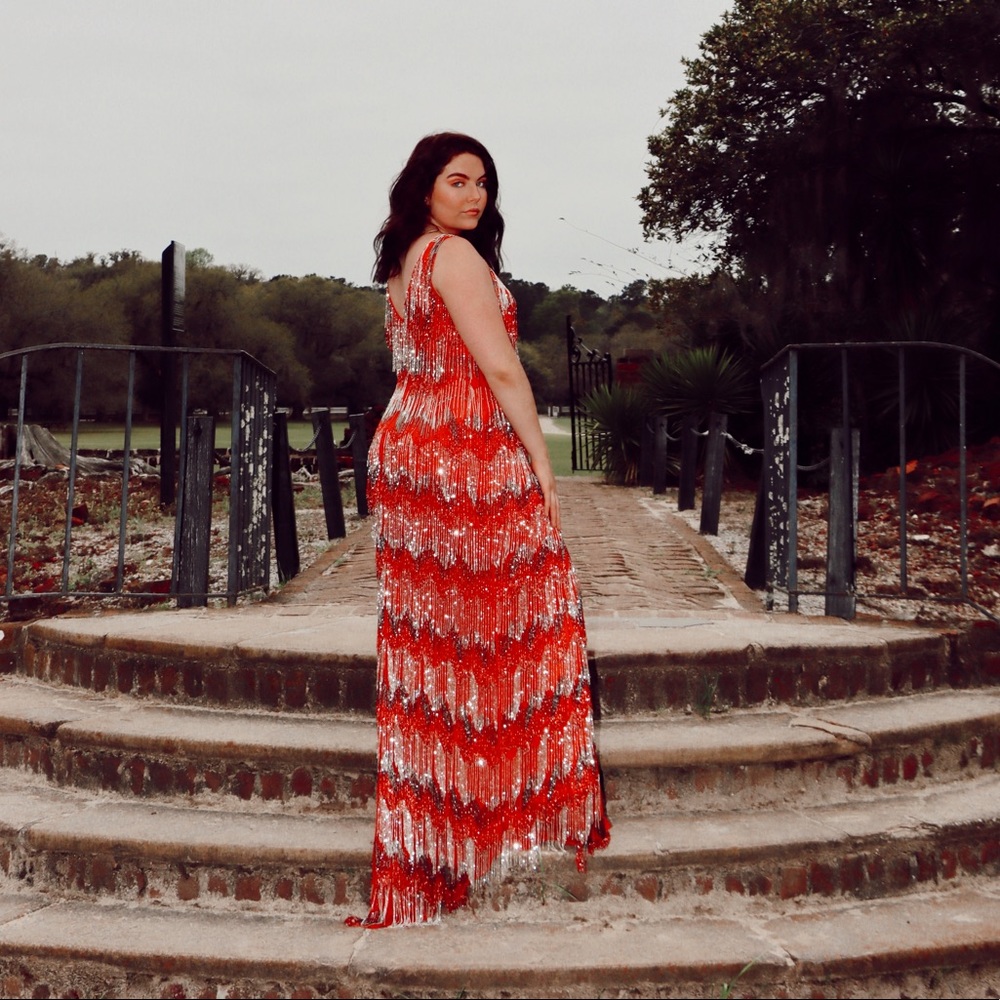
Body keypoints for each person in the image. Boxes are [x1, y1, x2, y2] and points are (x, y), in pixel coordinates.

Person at [351, 132, 610, 928]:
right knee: (517, 617)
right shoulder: (454, 259)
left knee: (439, 642)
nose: (474, 196)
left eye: (484, 185)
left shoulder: (405, 263)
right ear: (423, 187)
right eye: (457, 180)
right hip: (462, 449)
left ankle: (447, 824)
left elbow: (412, 367)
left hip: (409, 445)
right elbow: (500, 368)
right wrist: (541, 461)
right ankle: (487, 809)